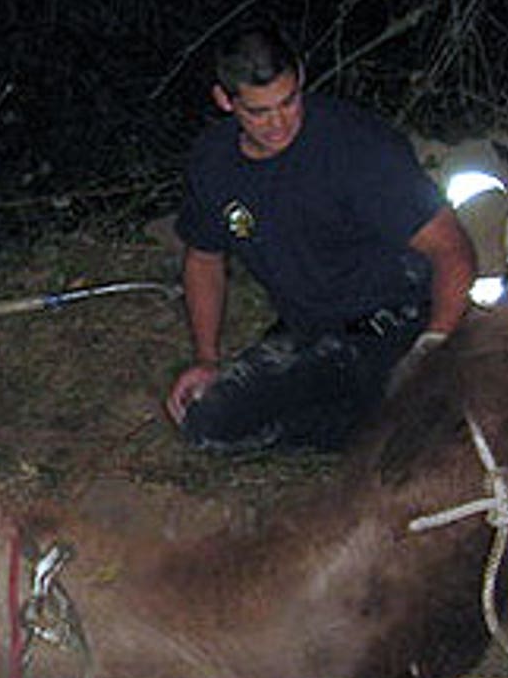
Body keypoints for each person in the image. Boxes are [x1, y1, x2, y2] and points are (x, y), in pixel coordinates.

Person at [163, 23, 475, 453]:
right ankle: (368, 427)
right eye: (258, 111)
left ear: (301, 80)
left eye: (288, 102)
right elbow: (203, 259)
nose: (277, 122)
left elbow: (451, 249)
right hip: (311, 333)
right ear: (225, 100)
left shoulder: (359, 147)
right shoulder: (214, 163)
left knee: (418, 423)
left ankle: (398, 420)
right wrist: (206, 359)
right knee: (208, 422)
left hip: (397, 324)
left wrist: (433, 345)